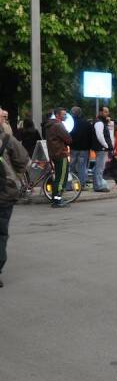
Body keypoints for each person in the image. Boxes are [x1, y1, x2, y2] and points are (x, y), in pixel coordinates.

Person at [1, 114, 30, 288]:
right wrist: (14, 175)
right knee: (1, 233)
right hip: (4, 193)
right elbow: (23, 161)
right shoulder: (7, 140)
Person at [45, 107, 73, 207]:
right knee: (62, 178)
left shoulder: (50, 125)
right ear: (57, 115)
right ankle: (57, 200)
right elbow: (68, 139)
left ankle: (55, 198)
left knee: (57, 177)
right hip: (61, 154)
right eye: (63, 114)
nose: (65, 116)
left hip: (54, 154)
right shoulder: (58, 125)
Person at [69, 107, 92, 187]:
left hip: (73, 148)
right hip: (84, 149)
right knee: (82, 167)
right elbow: (90, 136)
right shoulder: (86, 123)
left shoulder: (70, 124)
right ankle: (81, 185)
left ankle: (68, 185)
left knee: (71, 166)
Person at [90, 110, 113, 192]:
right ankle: (98, 186)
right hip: (101, 148)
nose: (107, 113)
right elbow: (100, 135)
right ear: (100, 112)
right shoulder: (99, 123)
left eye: (108, 112)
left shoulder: (101, 122)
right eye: (105, 112)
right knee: (99, 167)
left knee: (99, 167)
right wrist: (105, 145)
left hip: (101, 148)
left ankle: (98, 184)